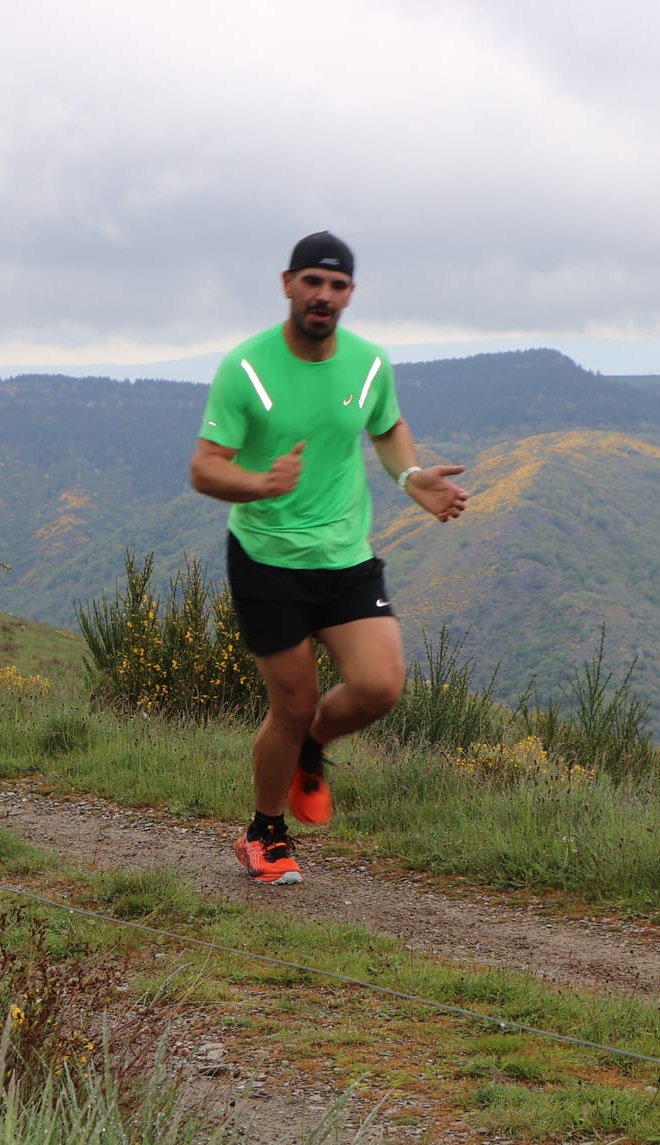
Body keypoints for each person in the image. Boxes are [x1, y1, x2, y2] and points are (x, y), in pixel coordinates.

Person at [189, 231, 470, 884]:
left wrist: (411, 477)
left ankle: (311, 748)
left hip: (345, 556)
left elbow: (386, 425)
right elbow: (204, 469)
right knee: (290, 703)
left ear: (350, 295)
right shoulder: (246, 368)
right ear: (288, 283)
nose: (323, 295)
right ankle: (264, 833)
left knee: (380, 686)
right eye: (313, 281)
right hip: (267, 559)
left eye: (337, 285)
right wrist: (260, 484)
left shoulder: (370, 363)